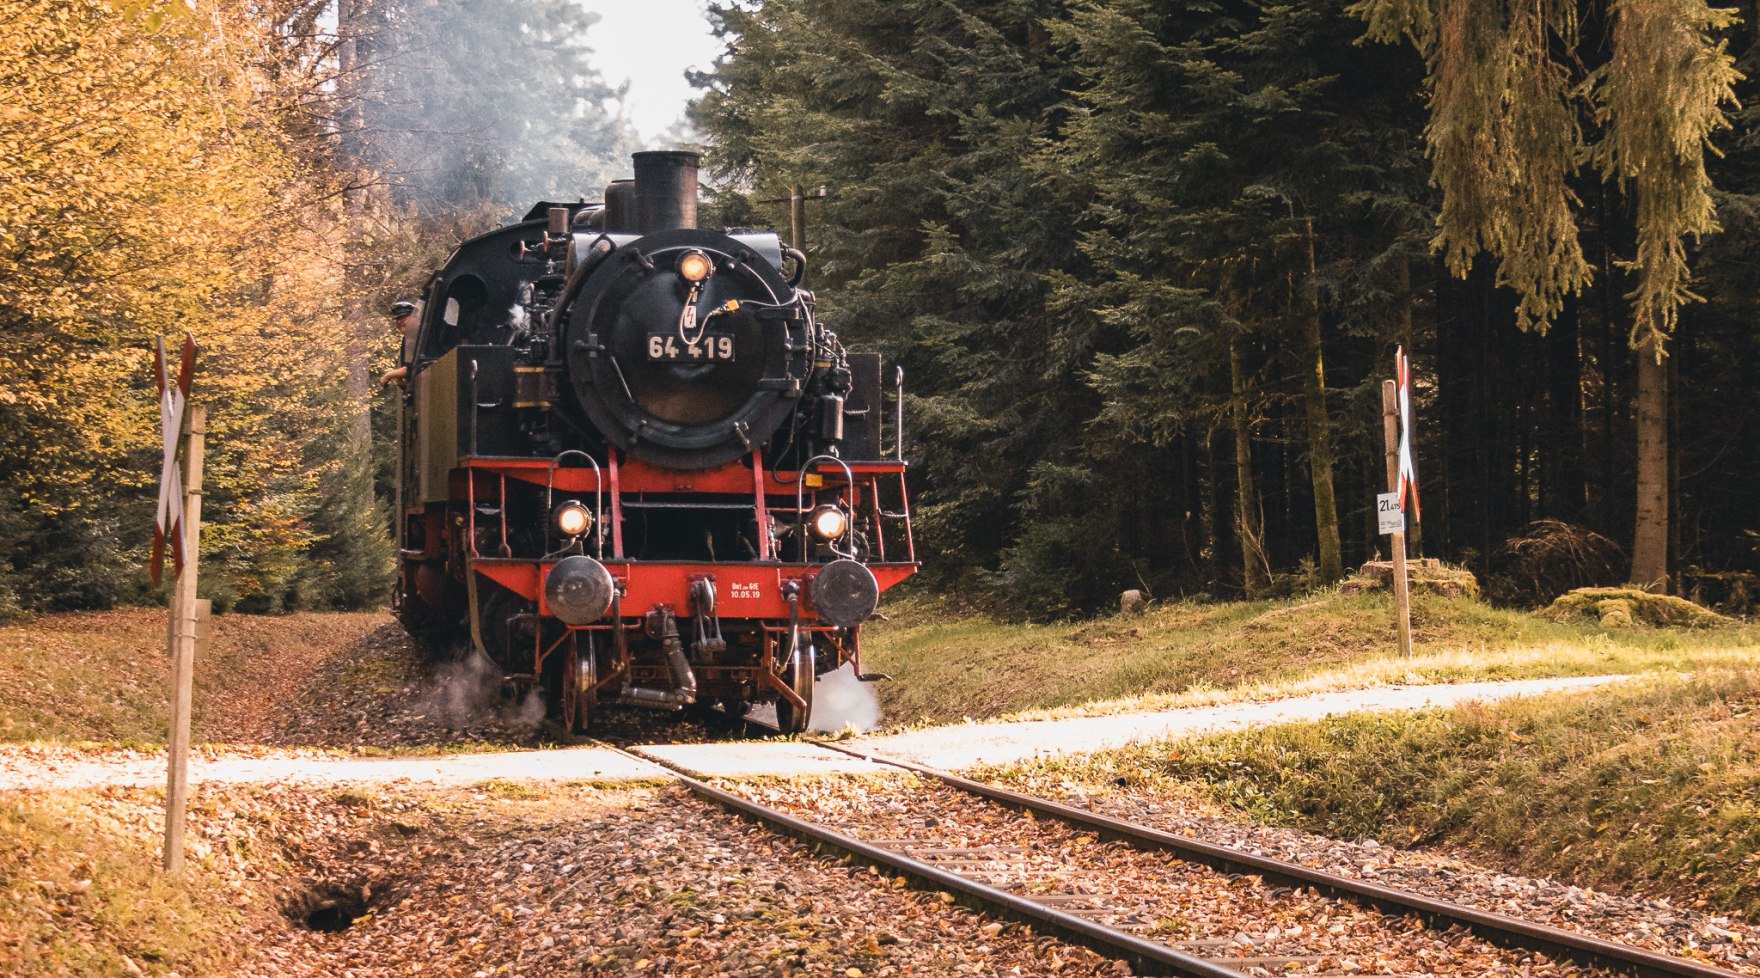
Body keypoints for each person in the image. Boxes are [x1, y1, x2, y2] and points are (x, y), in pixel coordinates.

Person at [378, 301, 419, 386]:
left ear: (415, 318)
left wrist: (388, 375)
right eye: (397, 319)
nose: (399, 322)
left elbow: (415, 366)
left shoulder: (423, 336)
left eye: (403, 318)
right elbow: (407, 367)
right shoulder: (406, 339)